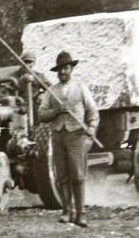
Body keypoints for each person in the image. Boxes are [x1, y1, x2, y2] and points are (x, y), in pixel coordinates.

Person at [37, 51, 99, 227]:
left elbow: (93, 111)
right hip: (58, 135)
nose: (63, 72)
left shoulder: (80, 88)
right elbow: (41, 114)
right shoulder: (52, 91)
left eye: (66, 68)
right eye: (60, 69)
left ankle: (81, 213)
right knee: (62, 175)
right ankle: (67, 211)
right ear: (56, 72)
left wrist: (92, 128)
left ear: (71, 69)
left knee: (77, 175)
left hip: (76, 135)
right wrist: (56, 111)